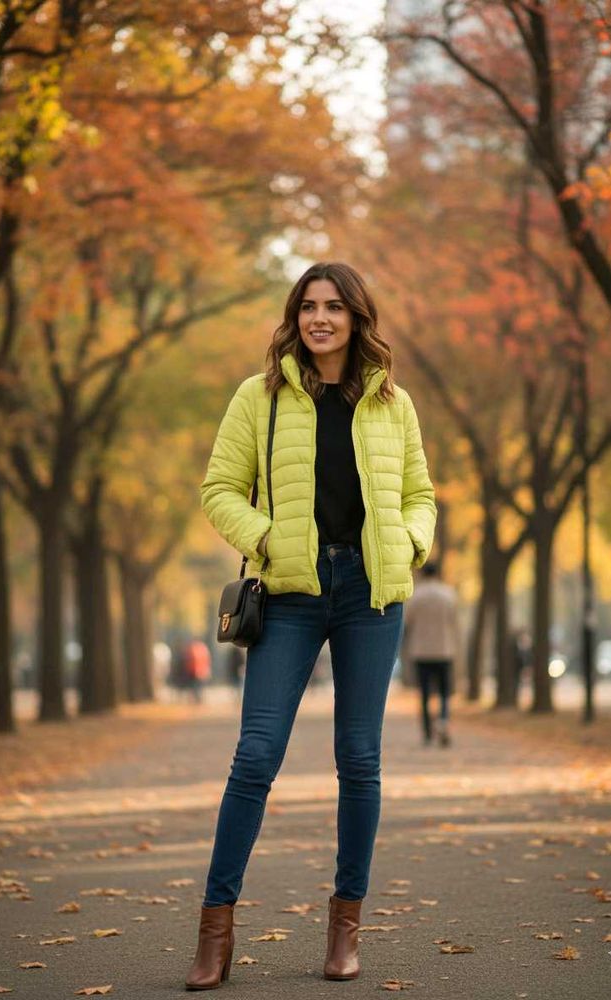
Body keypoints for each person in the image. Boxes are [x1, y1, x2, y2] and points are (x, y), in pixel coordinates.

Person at [185, 261, 437, 990]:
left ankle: (345, 930)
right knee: (256, 754)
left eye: (333, 307)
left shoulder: (393, 403)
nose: (318, 318)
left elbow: (421, 493)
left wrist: (409, 540)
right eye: (307, 306)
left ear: (358, 317)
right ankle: (215, 930)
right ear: (294, 317)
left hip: (369, 593)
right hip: (289, 591)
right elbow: (218, 488)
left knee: (359, 759)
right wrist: (265, 537)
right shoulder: (257, 397)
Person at [402, 559, 459, 748]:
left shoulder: (415, 596)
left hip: (421, 651)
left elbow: (407, 623)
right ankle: (443, 720)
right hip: (444, 650)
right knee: (444, 693)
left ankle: (427, 733)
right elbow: (454, 623)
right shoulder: (448, 594)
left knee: (425, 694)